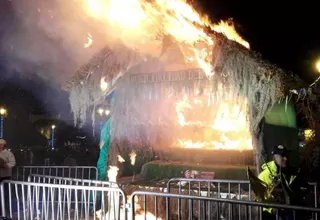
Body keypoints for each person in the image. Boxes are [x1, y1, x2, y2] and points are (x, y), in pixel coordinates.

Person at [258, 145, 308, 220]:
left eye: (286, 155)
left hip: (289, 212)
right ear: (275, 157)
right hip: (271, 214)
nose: (286, 158)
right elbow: (261, 197)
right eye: (282, 156)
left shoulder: (292, 172)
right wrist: (272, 209)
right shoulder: (264, 175)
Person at [0, 139, 16, 217]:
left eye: (1, 144)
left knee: (6, 194)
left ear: (4, 145)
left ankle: (6, 211)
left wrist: (5, 165)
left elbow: (13, 163)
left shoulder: (9, 153)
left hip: (5, 177)